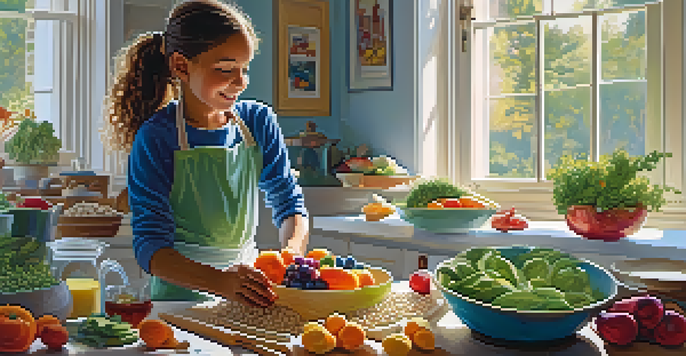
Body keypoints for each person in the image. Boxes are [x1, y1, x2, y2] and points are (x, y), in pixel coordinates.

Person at [100, 0, 310, 307]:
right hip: (177, 300)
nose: (240, 82)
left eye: (244, 69)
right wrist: (221, 282)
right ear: (181, 66)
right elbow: (151, 250)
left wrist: (290, 255)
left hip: (246, 294)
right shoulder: (157, 137)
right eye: (225, 69)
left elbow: (290, 204)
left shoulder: (258, 122)